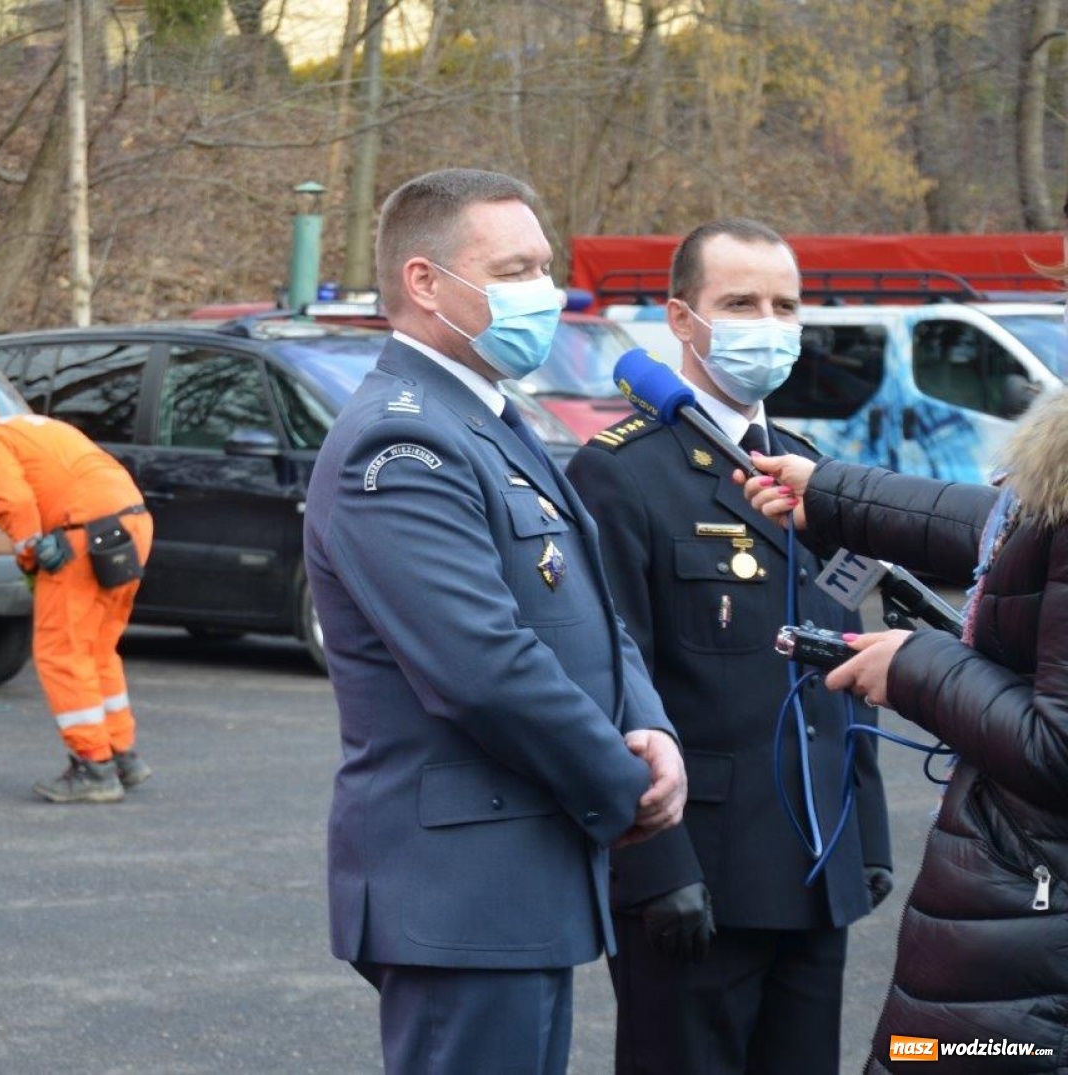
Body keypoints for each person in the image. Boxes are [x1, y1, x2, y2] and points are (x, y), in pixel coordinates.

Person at [303, 167, 687, 1073]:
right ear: (425, 281)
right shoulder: (400, 441)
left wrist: (648, 722)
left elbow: (588, 604)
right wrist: (621, 781)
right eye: (514, 271)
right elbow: (481, 663)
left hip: (519, 876)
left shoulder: (490, 418)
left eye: (543, 268)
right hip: (462, 887)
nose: (543, 294)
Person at [564, 219, 895, 1075]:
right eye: (740, 302)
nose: (769, 323)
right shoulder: (622, 471)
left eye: (785, 304)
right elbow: (609, 675)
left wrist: (870, 839)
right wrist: (653, 866)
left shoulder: (812, 470)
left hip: (816, 865)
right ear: (681, 318)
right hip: (700, 873)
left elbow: (845, 655)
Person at [743, 400, 1068, 1071]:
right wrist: (834, 494)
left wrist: (913, 662)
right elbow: (1013, 528)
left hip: (1031, 943)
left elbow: (1058, 747)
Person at [0, 389, 154, 804]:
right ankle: (123, 755)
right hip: (132, 524)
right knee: (98, 649)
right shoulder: (31, 428)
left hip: (81, 535)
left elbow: (11, 500)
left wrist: (31, 554)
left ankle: (93, 767)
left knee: (61, 652)